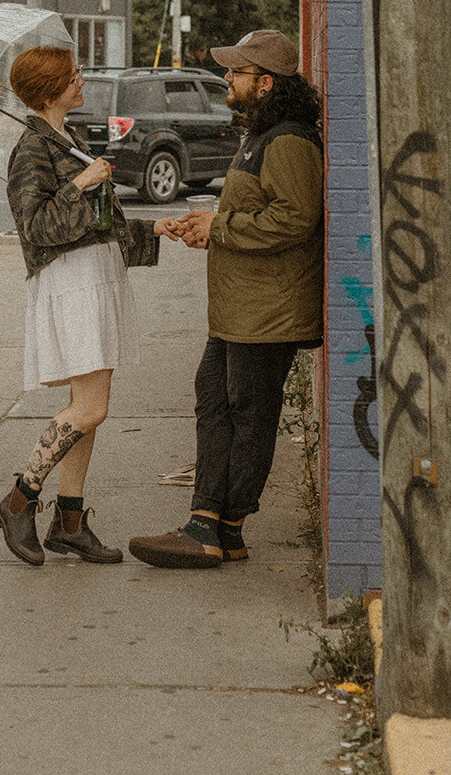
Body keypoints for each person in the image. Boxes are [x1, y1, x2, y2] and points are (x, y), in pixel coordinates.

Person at [128, 29, 323, 570]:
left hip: (269, 312)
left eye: (236, 73)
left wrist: (222, 226)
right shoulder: (260, 135)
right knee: (215, 400)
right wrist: (208, 226)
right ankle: (214, 527)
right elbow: (253, 213)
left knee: (247, 414)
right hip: (242, 309)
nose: (226, 80)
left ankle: (217, 527)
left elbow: (296, 218)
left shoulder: (288, 140)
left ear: (265, 84)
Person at [0, 45, 180, 567]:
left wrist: (156, 228)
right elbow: (35, 228)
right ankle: (18, 500)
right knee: (91, 408)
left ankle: (70, 523)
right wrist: (80, 182)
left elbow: (102, 225)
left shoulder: (67, 137)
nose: (82, 80)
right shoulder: (30, 149)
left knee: (90, 413)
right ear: (50, 89)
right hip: (70, 284)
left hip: (97, 277)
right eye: (73, 75)